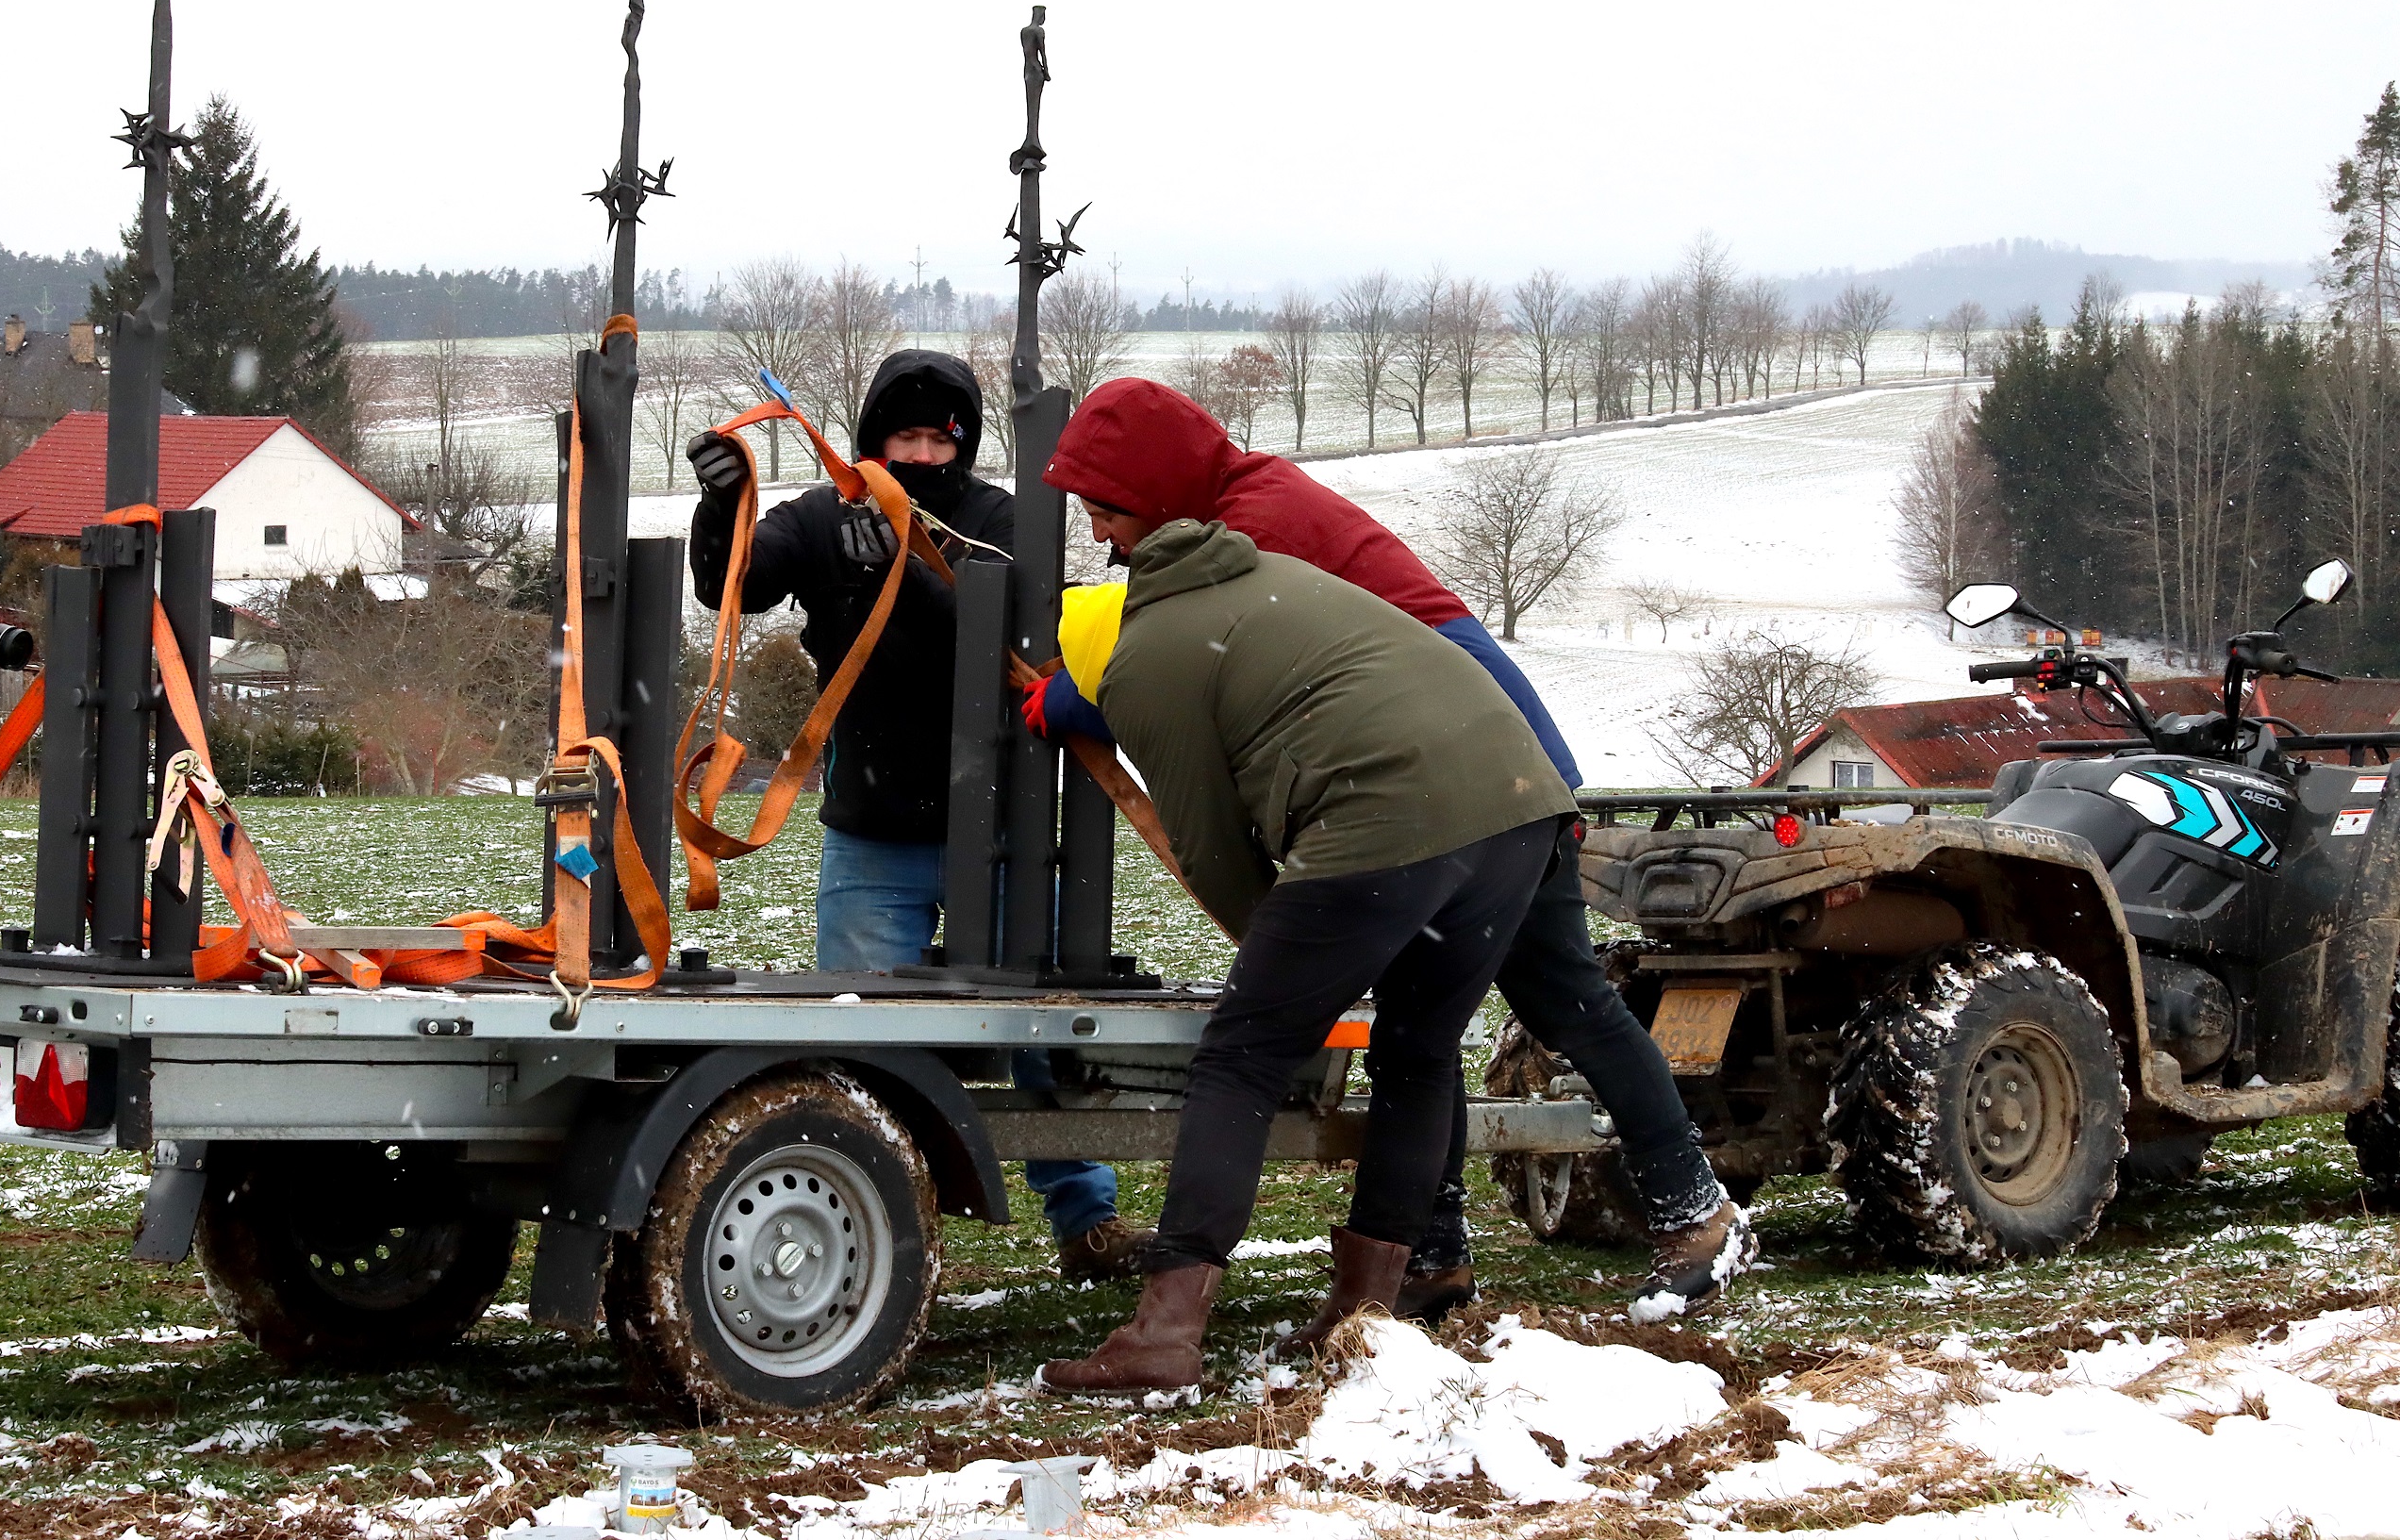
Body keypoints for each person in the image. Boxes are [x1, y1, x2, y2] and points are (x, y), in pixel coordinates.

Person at [1032, 375, 1744, 1322]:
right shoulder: (1239, 505)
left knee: (1548, 1001)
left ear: (1157, 486)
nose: (1096, 535)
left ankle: (1691, 1211)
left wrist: (1070, 701)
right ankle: (1436, 1257)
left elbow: (1188, 655)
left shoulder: (1257, 529)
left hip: (1468, 772)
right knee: (1431, 1024)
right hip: (1482, 767)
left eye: (1106, 508)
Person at [1036, 520, 1574, 1396]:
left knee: (1243, 1054)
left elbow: (1207, 841)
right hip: (1520, 802)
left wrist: (1280, 962)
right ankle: (1369, 1318)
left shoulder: (1140, 662)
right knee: (1419, 1048)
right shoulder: (1263, 571)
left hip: (1394, 810)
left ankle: (1164, 1330)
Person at [684, 351, 1150, 1281]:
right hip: (873, 829)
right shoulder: (822, 514)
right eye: (907, 435)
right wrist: (723, 507)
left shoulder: (1003, 519)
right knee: (860, 1044)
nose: (925, 451)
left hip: (1008, 831)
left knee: (1048, 1029)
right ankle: (882, 1223)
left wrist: (916, 568)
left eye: (944, 436)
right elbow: (727, 586)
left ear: (966, 443)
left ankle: (1085, 1218)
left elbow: (1023, 636)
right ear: (871, 439)